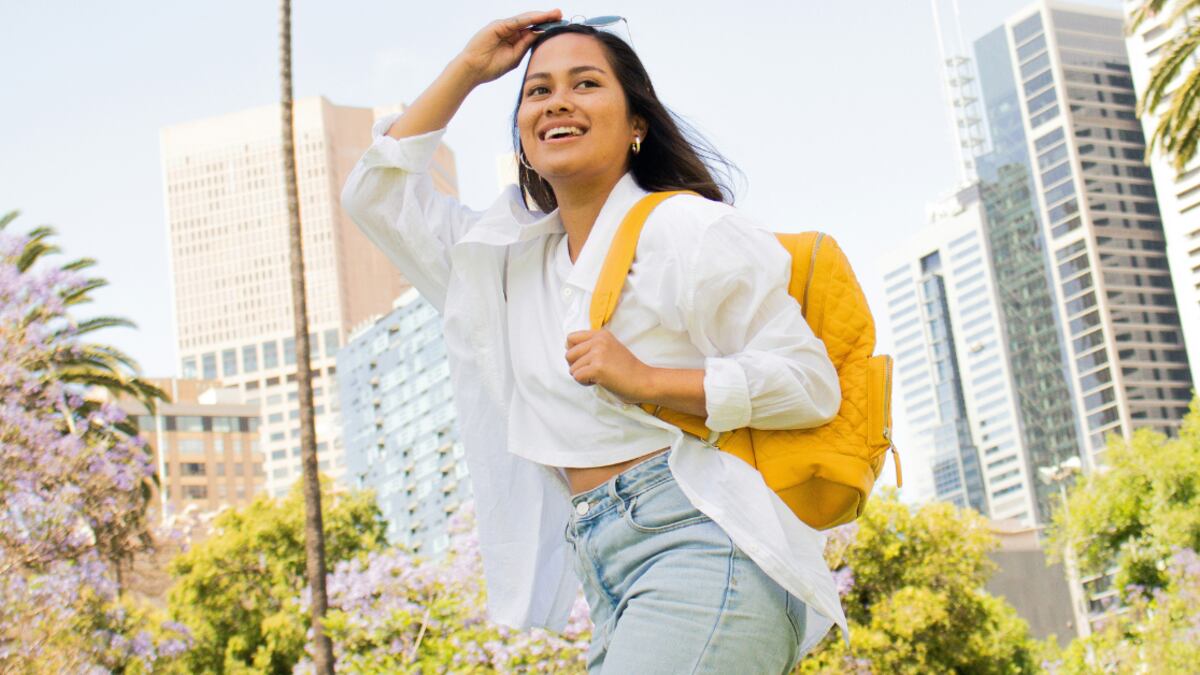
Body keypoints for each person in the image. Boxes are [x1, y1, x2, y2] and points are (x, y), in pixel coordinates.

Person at [341, 9, 848, 672]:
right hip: (607, 568)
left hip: (707, 543)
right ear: (522, 136)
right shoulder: (503, 263)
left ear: (637, 123)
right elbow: (375, 195)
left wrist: (649, 380)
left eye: (585, 84)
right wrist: (469, 68)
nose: (558, 102)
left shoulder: (684, 229)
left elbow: (809, 383)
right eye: (538, 91)